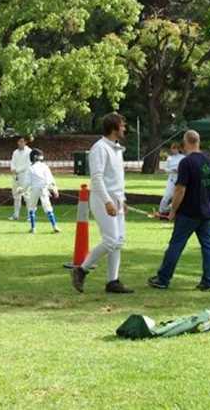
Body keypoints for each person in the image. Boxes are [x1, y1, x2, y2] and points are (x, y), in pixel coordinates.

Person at [71, 113, 133, 294]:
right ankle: (81, 270)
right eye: (122, 125)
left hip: (117, 200)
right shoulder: (99, 148)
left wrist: (123, 200)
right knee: (111, 240)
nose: (124, 128)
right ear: (114, 128)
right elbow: (96, 178)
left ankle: (112, 281)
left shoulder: (116, 148)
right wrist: (107, 201)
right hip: (102, 200)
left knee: (119, 241)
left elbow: (116, 178)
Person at [147, 130, 210, 291]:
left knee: (176, 245)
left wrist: (172, 211)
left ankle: (163, 279)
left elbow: (180, 190)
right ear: (198, 141)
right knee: (207, 246)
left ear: (185, 143)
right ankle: (208, 280)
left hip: (189, 212)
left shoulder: (186, 162)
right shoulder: (208, 161)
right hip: (207, 211)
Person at [23, 148, 60, 234]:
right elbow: (50, 180)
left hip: (35, 189)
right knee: (48, 207)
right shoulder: (45, 167)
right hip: (44, 189)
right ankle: (54, 226)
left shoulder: (31, 168)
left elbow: (27, 182)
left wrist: (22, 190)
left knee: (31, 208)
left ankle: (33, 228)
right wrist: (55, 189)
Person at [9, 135, 32, 221]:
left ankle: (30, 215)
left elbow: (28, 164)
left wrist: (17, 170)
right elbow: (13, 162)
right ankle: (16, 215)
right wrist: (13, 169)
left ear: (25, 142)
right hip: (15, 177)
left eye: (22, 141)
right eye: (19, 141)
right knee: (16, 196)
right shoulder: (15, 152)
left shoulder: (29, 152)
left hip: (24, 176)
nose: (20, 143)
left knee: (27, 196)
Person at [158, 143, 185, 215]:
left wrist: (179, 170)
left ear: (178, 149)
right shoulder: (170, 158)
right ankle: (161, 210)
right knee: (167, 196)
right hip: (171, 179)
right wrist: (172, 170)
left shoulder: (183, 157)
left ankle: (174, 211)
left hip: (180, 179)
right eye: (172, 148)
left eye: (175, 148)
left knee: (177, 196)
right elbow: (166, 169)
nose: (174, 150)